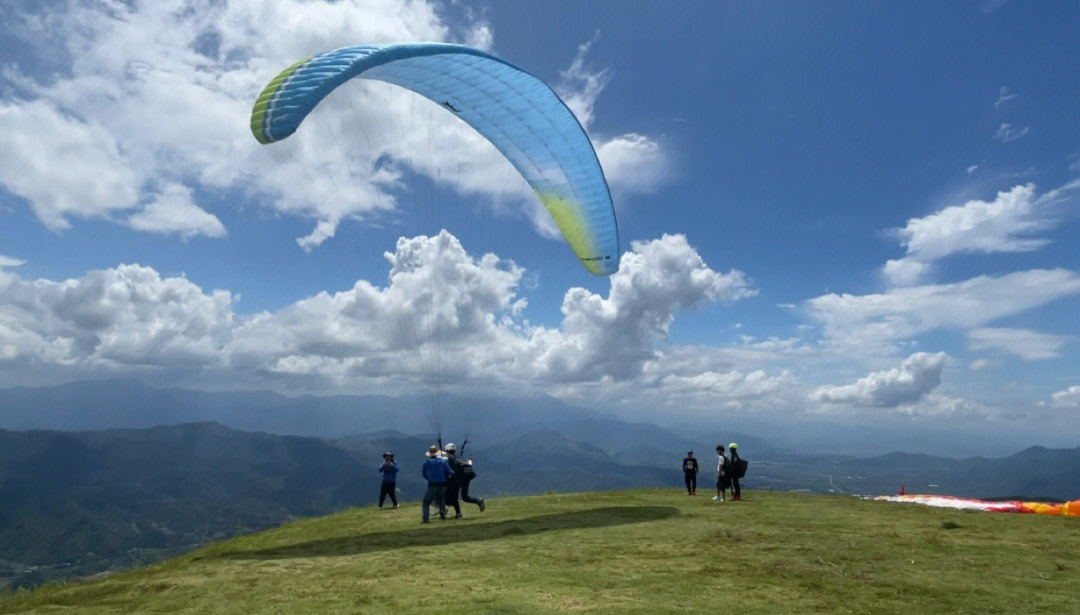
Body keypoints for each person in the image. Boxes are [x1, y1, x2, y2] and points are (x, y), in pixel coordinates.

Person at [421, 444, 454, 523]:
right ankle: (442, 515)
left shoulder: (426, 463)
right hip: (442, 485)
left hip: (432, 485)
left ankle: (425, 519)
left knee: (426, 502)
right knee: (441, 500)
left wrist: (429, 479)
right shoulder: (443, 462)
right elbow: (450, 472)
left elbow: (424, 474)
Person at [444, 443, 464, 519]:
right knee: (454, 498)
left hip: (451, 482)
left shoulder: (449, 461)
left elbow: (448, 471)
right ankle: (458, 513)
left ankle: (443, 511)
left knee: (444, 497)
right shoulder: (457, 460)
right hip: (457, 483)